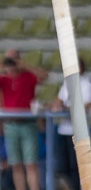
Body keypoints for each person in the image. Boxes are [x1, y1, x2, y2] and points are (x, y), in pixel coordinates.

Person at [0, 53, 47, 190]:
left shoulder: (28, 77)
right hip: (10, 125)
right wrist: (3, 66)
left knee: (31, 164)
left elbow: (44, 76)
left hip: (28, 124)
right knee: (16, 165)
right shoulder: (4, 79)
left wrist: (24, 65)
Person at [49, 58, 91, 190]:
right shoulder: (66, 84)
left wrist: (65, 108)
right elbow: (59, 100)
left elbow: (85, 106)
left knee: (76, 167)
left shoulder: (87, 84)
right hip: (64, 129)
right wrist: (56, 104)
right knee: (64, 166)